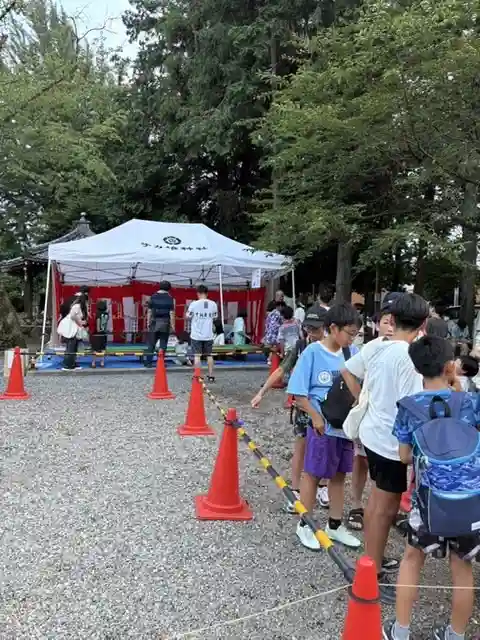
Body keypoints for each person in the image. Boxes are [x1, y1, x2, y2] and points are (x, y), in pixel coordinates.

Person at [383, 336, 480, 640]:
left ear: (416, 368)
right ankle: (455, 634)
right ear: (450, 365)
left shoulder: (409, 407)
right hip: (469, 500)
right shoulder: (470, 402)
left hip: (428, 500)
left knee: (412, 559)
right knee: (462, 567)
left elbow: (403, 456)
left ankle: (400, 631)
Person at [341, 293, 429, 601]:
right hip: (392, 441)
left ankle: (371, 559)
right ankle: (372, 572)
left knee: (379, 502)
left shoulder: (381, 347)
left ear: (394, 319)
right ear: (423, 323)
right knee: (384, 507)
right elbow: (412, 406)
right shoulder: (410, 356)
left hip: (374, 433)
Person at [288, 302, 361, 550]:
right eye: (349, 333)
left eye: (355, 334)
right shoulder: (312, 352)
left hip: (344, 427)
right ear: (334, 328)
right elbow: (298, 393)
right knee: (313, 474)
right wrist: (314, 416)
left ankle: (335, 525)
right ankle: (305, 524)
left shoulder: (352, 353)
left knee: (339, 475)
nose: (352, 339)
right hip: (322, 427)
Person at [251, 304, 329, 512]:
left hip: (327, 407)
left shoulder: (334, 348)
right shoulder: (301, 346)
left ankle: (323, 486)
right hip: (304, 405)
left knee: (326, 449)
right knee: (301, 448)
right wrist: (262, 392)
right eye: (309, 328)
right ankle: (295, 489)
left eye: (316, 329)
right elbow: (281, 370)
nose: (312, 333)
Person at [346, 304, 394, 533]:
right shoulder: (371, 348)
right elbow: (347, 371)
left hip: (394, 419)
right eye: (385, 322)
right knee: (362, 461)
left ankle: (386, 508)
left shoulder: (408, 348)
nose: (390, 327)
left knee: (390, 465)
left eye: (394, 322)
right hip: (371, 417)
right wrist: (359, 398)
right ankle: (357, 504)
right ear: (376, 325)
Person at [187, 284, 218, 382]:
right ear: (207, 293)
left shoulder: (194, 304)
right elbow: (215, 317)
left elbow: (188, 316)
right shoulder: (213, 304)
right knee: (209, 355)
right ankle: (211, 376)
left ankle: (197, 376)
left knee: (197, 356)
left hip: (196, 335)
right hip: (208, 334)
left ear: (198, 293)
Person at [144, 281, 175, 368]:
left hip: (154, 322)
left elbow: (149, 311)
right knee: (163, 344)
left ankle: (148, 363)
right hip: (165, 322)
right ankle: (160, 363)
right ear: (169, 288)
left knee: (151, 344)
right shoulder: (170, 298)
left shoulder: (153, 297)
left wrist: (148, 322)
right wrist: (173, 325)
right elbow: (171, 313)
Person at [58, 293, 88, 370]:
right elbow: (72, 316)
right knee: (70, 347)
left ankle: (72, 363)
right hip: (70, 328)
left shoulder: (79, 306)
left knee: (74, 347)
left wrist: (81, 322)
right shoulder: (77, 306)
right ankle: (67, 365)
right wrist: (80, 322)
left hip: (74, 328)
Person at [91, 300, 109, 368]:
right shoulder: (106, 314)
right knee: (103, 349)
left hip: (96, 335)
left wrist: (98, 329)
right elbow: (105, 324)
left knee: (95, 350)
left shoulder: (98, 314)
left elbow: (98, 326)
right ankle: (102, 363)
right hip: (104, 334)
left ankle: (93, 363)